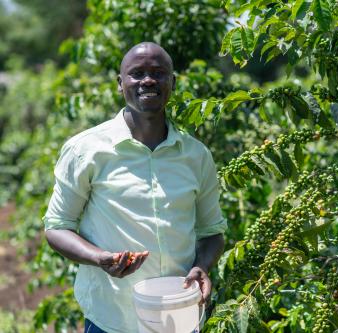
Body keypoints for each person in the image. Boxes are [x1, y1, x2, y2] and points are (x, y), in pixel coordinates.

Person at [43, 42, 227, 333]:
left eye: (158, 73)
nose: (148, 80)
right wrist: (99, 258)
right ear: (120, 83)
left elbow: (212, 232)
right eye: (137, 73)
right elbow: (57, 227)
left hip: (181, 317)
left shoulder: (196, 155)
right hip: (112, 319)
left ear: (173, 82)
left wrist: (202, 266)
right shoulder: (86, 150)